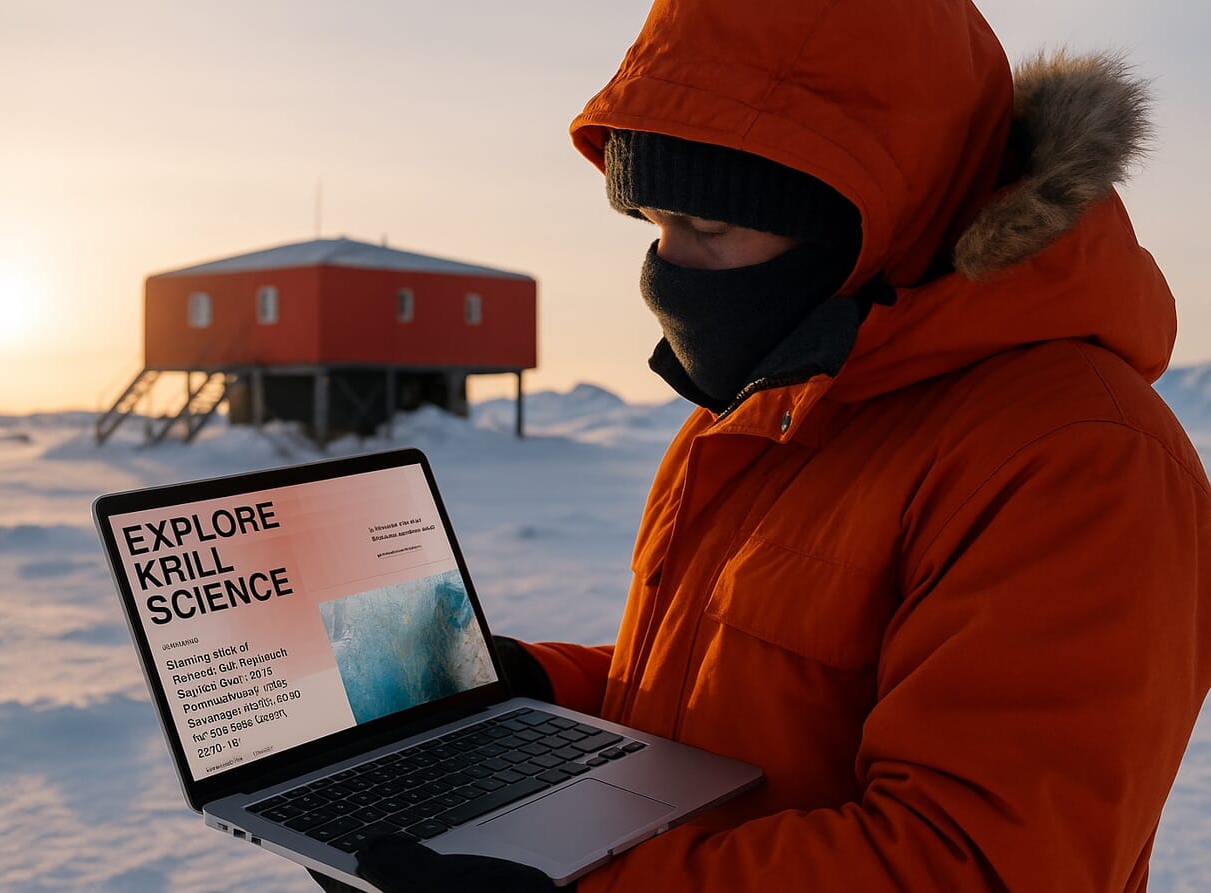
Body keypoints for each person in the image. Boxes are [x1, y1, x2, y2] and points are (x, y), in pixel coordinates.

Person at [324, 0, 1211, 889]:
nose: (667, 267)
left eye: (709, 228)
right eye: (654, 222)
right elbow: (719, 708)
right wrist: (528, 693)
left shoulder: (1079, 457)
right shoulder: (777, 396)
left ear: (861, 218)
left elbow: (975, 863)